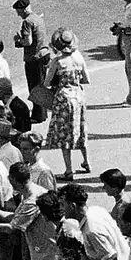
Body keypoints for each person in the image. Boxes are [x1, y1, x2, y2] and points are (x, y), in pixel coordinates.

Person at [45, 28, 90, 179]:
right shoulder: (78, 58)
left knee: (65, 135)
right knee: (80, 129)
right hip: (78, 96)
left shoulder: (57, 62)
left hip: (63, 98)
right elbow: (86, 79)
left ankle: (69, 169)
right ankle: (87, 161)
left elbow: (47, 83)